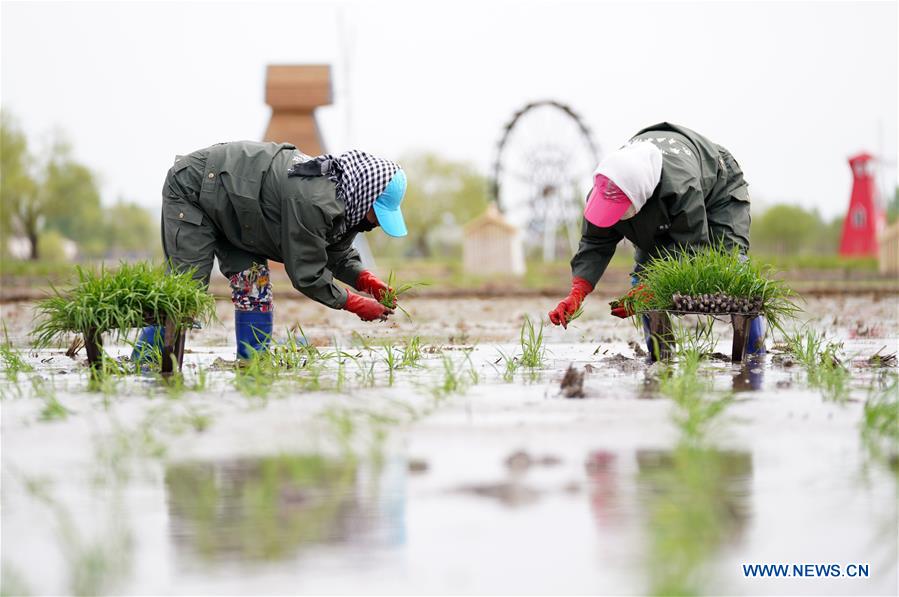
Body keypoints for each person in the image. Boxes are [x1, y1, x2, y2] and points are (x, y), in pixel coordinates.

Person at [133, 141, 408, 360]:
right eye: (378, 214)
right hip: (196, 187)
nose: (376, 223)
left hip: (238, 213)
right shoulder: (314, 202)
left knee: (254, 284)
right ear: (366, 194)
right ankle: (145, 361)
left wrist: (366, 280)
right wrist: (355, 303)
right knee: (186, 291)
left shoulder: (345, 202)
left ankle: (252, 362)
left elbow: (337, 253)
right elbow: (307, 274)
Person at [548, 122, 766, 354]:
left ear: (639, 198)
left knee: (732, 266)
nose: (614, 217)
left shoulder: (681, 189)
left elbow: (692, 250)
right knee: (643, 278)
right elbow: (594, 242)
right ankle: (661, 355)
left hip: (718, 182)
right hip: (654, 192)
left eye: (619, 211)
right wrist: (576, 293)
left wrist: (652, 289)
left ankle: (755, 349)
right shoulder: (605, 189)